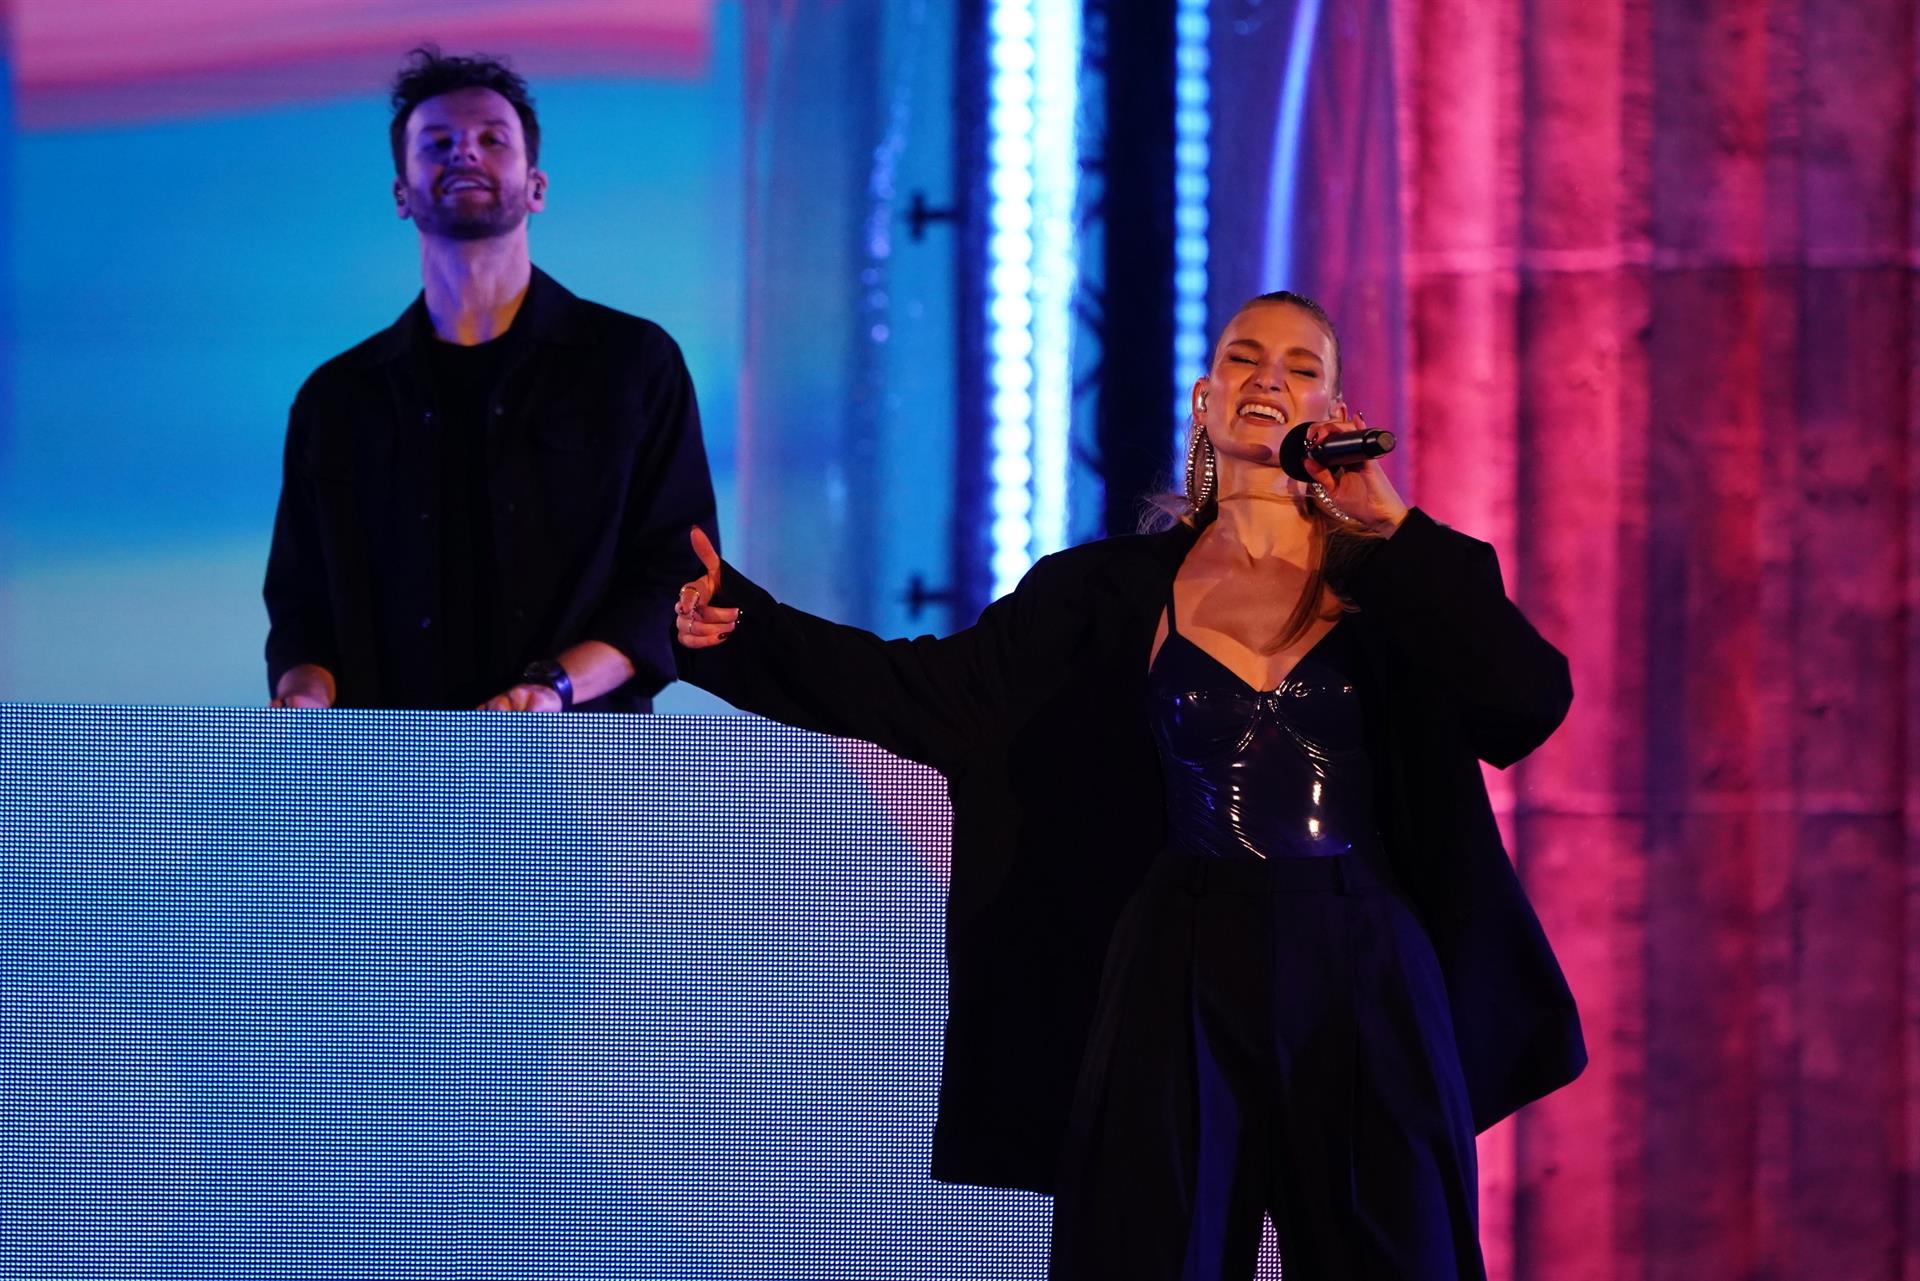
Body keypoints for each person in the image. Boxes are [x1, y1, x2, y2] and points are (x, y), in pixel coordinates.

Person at [673, 292, 1585, 1279]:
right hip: (1180, 956)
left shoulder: (1401, 580)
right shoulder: (1098, 596)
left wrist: (1390, 523)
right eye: (1242, 358)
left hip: (1364, 955)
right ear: (1204, 399)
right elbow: (927, 694)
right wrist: (751, 630)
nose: (1266, 377)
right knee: (1154, 1251)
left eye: (1298, 365)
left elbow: (1525, 705)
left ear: (1336, 408)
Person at [264, 46, 716, 713]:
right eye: (438, 142)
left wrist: (553, 687)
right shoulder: (338, 398)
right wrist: (302, 690)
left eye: (490, 139)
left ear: (536, 185)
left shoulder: (633, 363)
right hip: (384, 779)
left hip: (580, 772)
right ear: (401, 193)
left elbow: (676, 578)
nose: (464, 153)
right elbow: (303, 603)